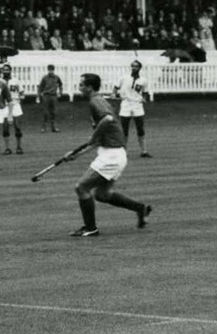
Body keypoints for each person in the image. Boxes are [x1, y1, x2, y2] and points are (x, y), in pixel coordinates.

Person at [58, 73, 153, 238]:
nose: (79, 87)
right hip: (112, 152)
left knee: (81, 187)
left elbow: (108, 119)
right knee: (102, 195)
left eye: (81, 85)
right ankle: (141, 208)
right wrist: (75, 154)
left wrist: (93, 136)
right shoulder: (96, 101)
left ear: (89, 87)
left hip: (112, 155)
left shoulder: (96, 101)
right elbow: (97, 140)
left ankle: (90, 228)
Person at [112, 60, 152, 157]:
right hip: (126, 104)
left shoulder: (143, 80)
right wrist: (114, 93)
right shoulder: (124, 77)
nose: (134, 68)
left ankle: (144, 151)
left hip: (137, 105)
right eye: (133, 66)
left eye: (136, 66)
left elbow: (145, 92)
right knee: (124, 129)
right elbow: (116, 87)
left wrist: (144, 99)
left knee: (140, 129)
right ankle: (124, 152)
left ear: (139, 68)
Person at [0, 64, 26, 155]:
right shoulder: (0, 81)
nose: (5, 71)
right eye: (4, 70)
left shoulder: (15, 81)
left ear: (10, 71)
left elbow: (22, 92)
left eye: (7, 70)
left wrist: (21, 97)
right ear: (2, 71)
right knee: (5, 127)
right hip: (4, 105)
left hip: (15, 104)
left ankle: (19, 147)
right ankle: (7, 148)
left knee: (17, 126)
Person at [37, 64, 64, 132]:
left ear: (53, 70)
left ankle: (54, 127)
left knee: (54, 112)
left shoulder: (56, 77)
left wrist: (60, 92)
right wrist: (38, 96)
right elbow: (40, 87)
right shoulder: (45, 78)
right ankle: (43, 127)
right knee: (45, 112)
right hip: (46, 95)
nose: (50, 71)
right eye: (49, 70)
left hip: (54, 96)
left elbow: (60, 85)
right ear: (48, 70)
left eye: (52, 70)